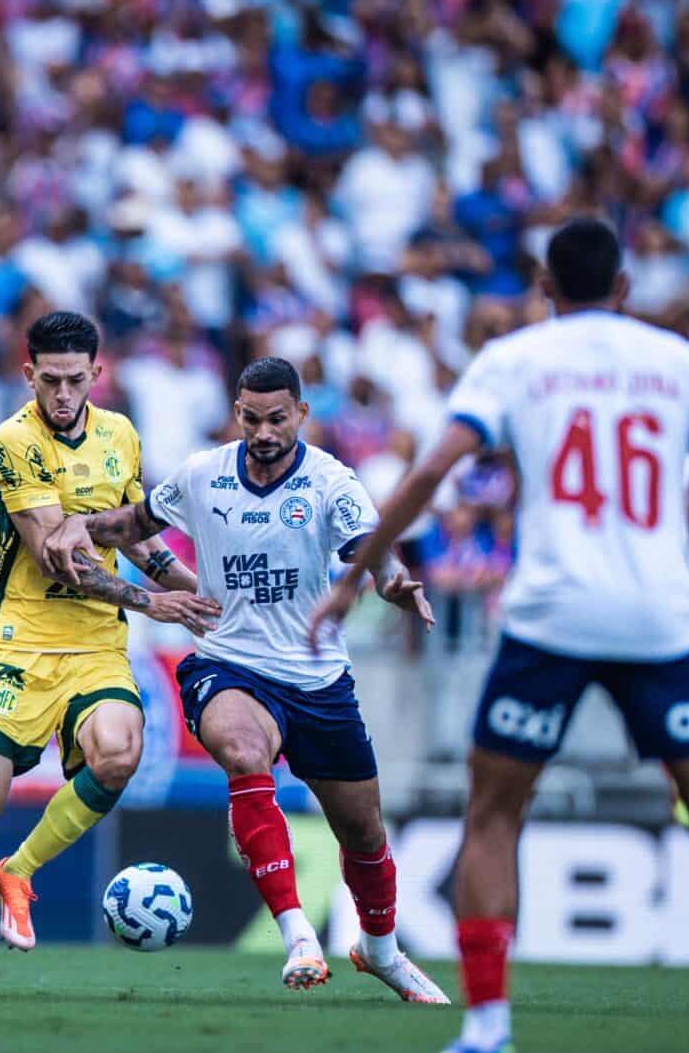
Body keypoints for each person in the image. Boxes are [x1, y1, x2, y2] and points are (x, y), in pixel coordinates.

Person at [310, 217, 689, 1053]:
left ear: (545, 288)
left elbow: (430, 473)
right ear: (624, 289)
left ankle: (487, 1031)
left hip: (553, 615)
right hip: (660, 618)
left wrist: (355, 579)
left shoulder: (517, 359)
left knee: (494, 817)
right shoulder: (677, 361)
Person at [38, 357, 448, 1000]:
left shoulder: (330, 482)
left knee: (364, 832)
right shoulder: (204, 475)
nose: (263, 432)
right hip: (229, 661)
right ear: (238, 413)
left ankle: (381, 950)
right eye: (252, 418)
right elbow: (137, 523)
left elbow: (369, 549)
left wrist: (392, 581)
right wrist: (76, 525)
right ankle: (298, 936)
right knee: (241, 750)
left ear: (302, 415)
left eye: (277, 419)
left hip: (316, 679)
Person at [0, 311, 220, 999]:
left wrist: (203, 595)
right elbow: (56, 557)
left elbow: (139, 541)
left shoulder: (120, 434)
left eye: (74, 379)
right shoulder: (13, 442)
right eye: (49, 380)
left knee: (120, 749)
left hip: (95, 646)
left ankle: (18, 872)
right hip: (19, 644)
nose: (62, 393)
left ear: (97, 374)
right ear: (28, 374)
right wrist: (156, 606)